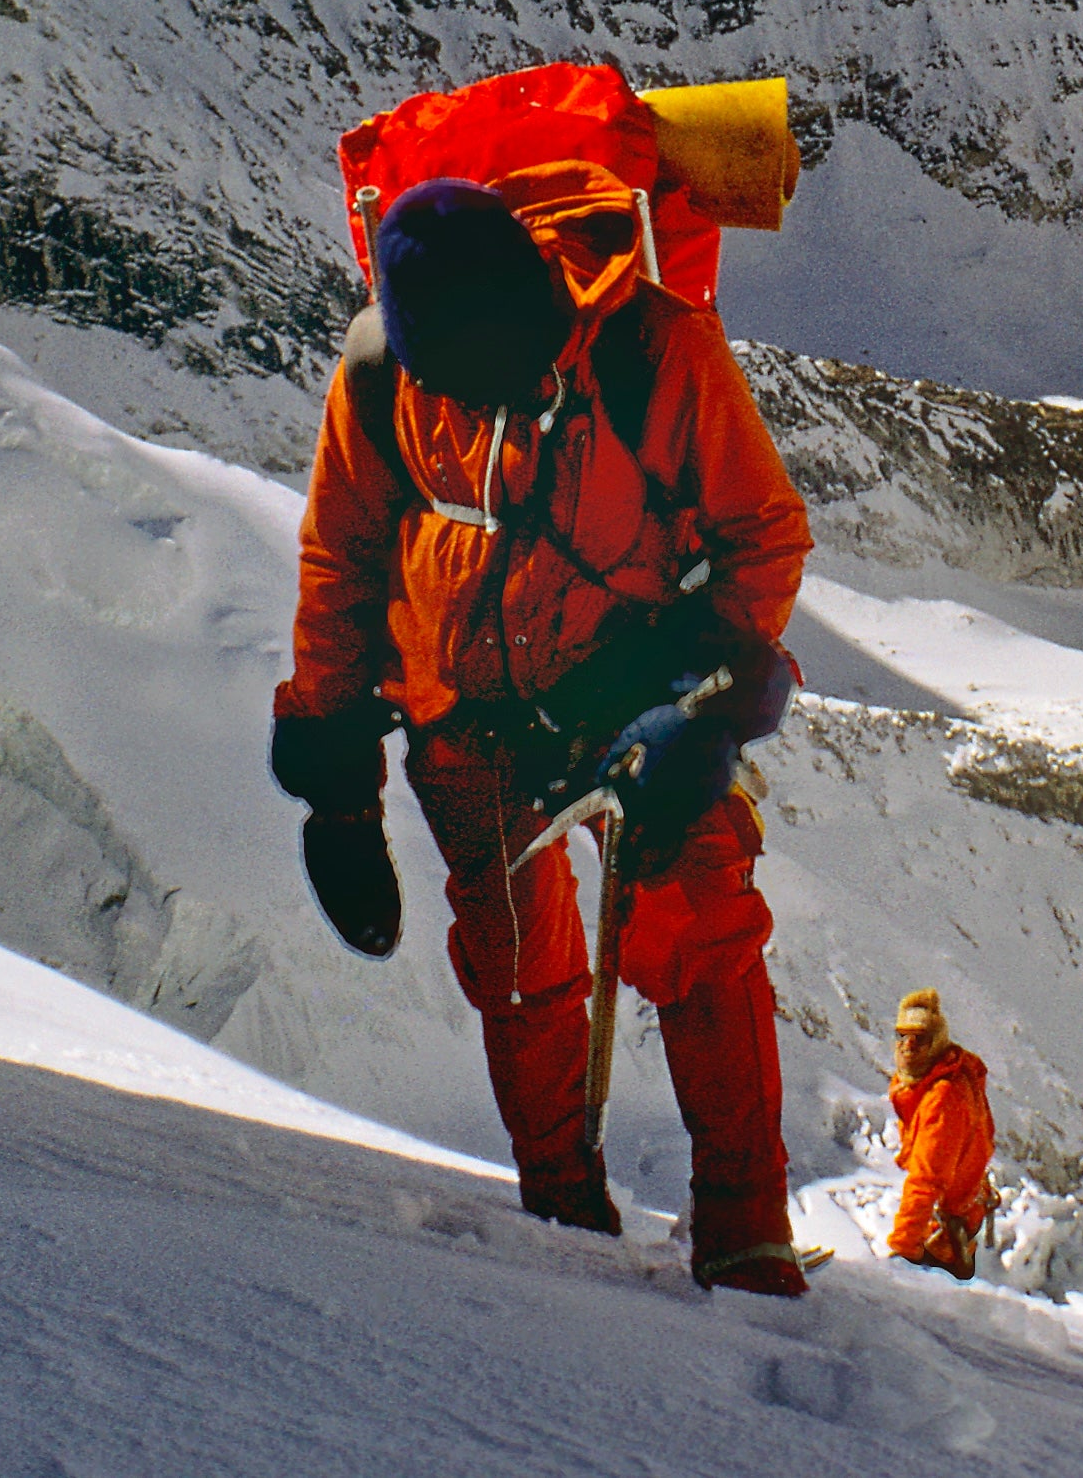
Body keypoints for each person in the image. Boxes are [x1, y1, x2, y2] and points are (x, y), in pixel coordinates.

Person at [270, 66, 817, 1295]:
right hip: (462, 716)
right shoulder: (379, 375)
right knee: (520, 972)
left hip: (627, 695)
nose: (474, 401)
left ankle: (745, 1233)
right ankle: (558, 1219)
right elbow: (342, 562)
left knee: (701, 941)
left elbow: (761, 535)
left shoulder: (653, 348)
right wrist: (336, 784)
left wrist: (700, 704)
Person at [883, 988, 994, 1276]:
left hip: (945, 1239)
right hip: (953, 1224)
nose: (907, 1045)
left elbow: (927, 1179)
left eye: (919, 1039)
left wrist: (903, 1247)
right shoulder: (938, 1080)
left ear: (935, 1044)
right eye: (901, 1036)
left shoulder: (943, 1098)